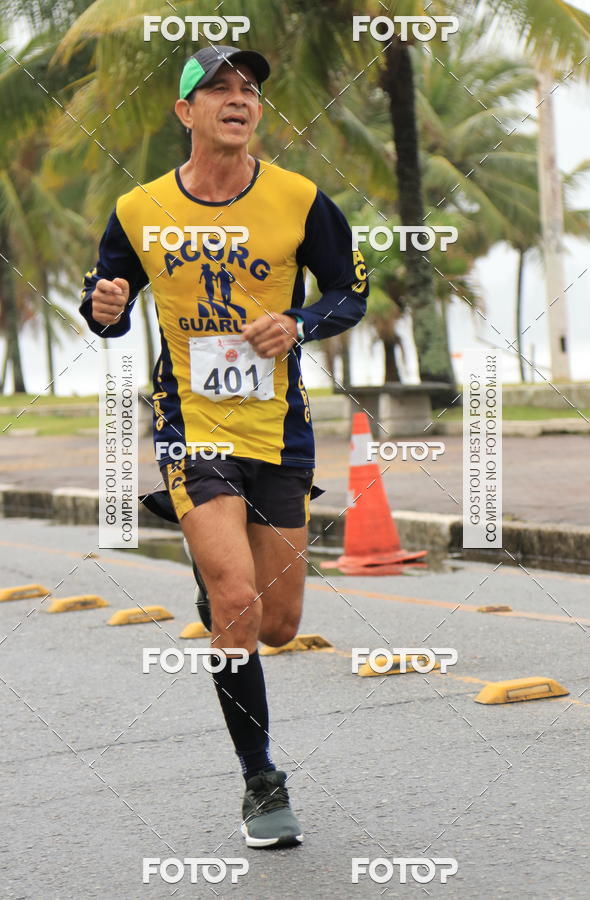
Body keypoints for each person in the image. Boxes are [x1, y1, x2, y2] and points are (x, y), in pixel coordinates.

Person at [80, 44, 368, 848]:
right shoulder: (138, 209)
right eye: (218, 89)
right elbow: (107, 303)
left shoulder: (300, 199)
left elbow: (352, 289)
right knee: (238, 605)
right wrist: (104, 305)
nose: (238, 99)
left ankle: (221, 592)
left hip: (281, 432)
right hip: (190, 430)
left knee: (276, 623)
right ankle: (261, 781)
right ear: (186, 113)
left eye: (248, 90)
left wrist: (300, 322)